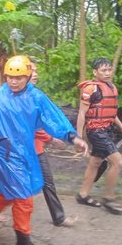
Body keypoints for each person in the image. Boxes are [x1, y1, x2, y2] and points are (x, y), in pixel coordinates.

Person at [0, 55, 88, 245]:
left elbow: (52, 117)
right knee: (23, 197)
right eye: (10, 77)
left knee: (6, 194)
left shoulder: (36, 97)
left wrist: (72, 137)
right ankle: (23, 242)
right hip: (4, 154)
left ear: (28, 76)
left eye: (19, 77)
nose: (14, 81)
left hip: (26, 152)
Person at [76, 57, 122, 215]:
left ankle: (82, 195)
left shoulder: (111, 87)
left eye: (109, 70)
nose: (107, 73)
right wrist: (79, 137)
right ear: (95, 72)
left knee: (95, 163)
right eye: (103, 70)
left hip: (107, 131)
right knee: (118, 163)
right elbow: (81, 113)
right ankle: (109, 199)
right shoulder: (90, 89)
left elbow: (111, 112)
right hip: (96, 132)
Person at [30, 69, 78, 227]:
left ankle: (59, 217)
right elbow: (30, 127)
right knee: (11, 185)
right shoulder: (11, 97)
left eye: (36, 70)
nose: (35, 74)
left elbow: (48, 120)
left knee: (48, 181)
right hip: (18, 151)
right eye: (31, 70)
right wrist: (51, 139)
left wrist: (66, 136)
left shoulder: (37, 96)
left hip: (37, 150)